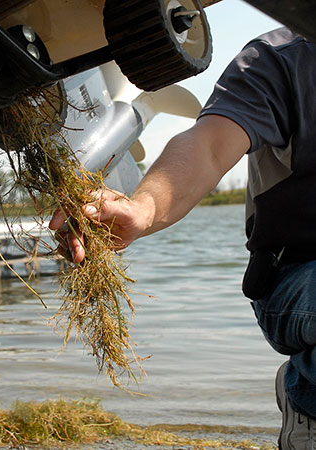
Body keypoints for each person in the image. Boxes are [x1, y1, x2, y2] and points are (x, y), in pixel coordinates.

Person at [50, 27, 316, 449]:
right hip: (298, 275)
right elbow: (208, 147)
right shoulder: (285, 58)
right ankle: (309, 400)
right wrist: (144, 209)